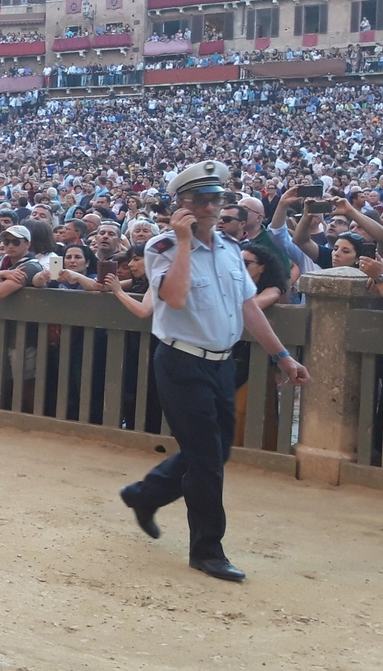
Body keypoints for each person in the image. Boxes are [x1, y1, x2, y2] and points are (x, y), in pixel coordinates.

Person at [117, 161, 310, 582]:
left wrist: (282, 356)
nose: (210, 207)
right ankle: (207, 549)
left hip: (222, 364)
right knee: (207, 460)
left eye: (216, 199)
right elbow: (175, 298)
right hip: (181, 362)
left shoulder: (228, 248)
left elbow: (246, 308)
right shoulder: (163, 247)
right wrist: (185, 242)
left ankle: (143, 495)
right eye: (200, 200)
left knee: (216, 451)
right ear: (180, 206)